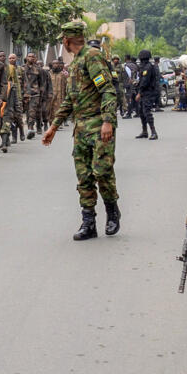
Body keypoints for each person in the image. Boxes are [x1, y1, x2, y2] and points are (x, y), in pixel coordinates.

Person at [42, 22, 121, 240]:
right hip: (81, 129)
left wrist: (107, 121)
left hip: (99, 126)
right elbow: (70, 99)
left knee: (102, 172)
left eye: (63, 40)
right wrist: (54, 126)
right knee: (84, 176)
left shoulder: (92, 57)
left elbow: (107, 90)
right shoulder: (76, 62)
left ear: (67, 40)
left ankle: (112, 211)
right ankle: (88, 223)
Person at [134, 49, 159, 140]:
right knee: (141, 112)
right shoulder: (145, 67)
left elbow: (145, 81)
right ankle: (144, 131)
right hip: (144, 92)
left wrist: (139, 93)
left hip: (148, 93)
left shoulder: (147, 67)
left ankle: (154, 132)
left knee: (147, 112)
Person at [24, 52, 44, 138]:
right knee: (27, 111)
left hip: (35, 93)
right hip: (24, 94)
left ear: (35, 58)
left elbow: (41, 83)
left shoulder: (38, 69)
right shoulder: (22, 68)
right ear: (26, 57)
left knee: (32, 111)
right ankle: (31, 126)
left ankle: (30, 128)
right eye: (29, 56)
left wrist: (41, 94)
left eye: (33, 57)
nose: (31, 58)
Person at [49, 59, 68, 125]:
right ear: (52, 65)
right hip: (50, 95)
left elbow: (66, 85)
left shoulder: (62, 75)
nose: (55, 65)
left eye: (57, 63)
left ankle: (56, 123)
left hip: (60, 95)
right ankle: (50, 123)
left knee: (58, 109)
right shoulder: (48, 74)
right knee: (50, 110)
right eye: (54, 64)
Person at [39, 59, 53, 133]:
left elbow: (49, 84)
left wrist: (50, 93)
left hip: (44, 95)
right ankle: (38, 125)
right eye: (37, 64)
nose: (39, 65)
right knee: (36, 112)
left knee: (44, 110)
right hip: (35, 95)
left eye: (40, 64)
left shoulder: (46, 73)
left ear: (42, 65)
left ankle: (45, 123)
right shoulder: (33, 72)